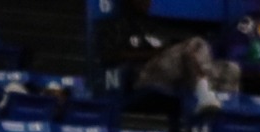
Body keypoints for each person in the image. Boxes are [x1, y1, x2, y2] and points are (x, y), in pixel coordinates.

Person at [96, 0, 233, 113]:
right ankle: (204, 97)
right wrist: (152, 54)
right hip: (143, 76)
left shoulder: (155, 26)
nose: (148, 2)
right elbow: (110, 55)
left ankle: (224, 113)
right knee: (193, 45)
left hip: (173, 74)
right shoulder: (115, 24)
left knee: (230, 69)